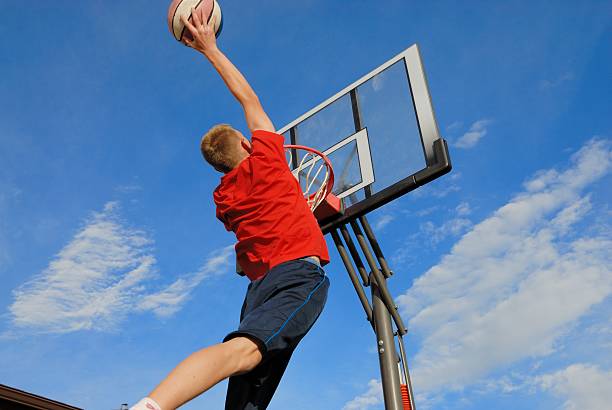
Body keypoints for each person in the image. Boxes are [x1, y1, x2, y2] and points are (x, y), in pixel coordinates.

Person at [131, 8, 330, 410]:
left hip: (257, 291)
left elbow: (245, 255)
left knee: (244, 393)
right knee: (240, 354)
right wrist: (210, 48)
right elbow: (247, 96)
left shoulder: (225, 199)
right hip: (296, 275)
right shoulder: (267, 161)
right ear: (244, 144)